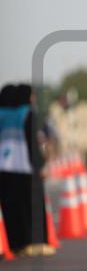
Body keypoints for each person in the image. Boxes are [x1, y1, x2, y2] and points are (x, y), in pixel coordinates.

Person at [0, 83, 52, 256]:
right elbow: (34, 144)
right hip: (25, 167)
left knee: (12, 208)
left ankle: (17, 244)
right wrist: (40, 165)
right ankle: (37, 243)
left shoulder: (2, 115)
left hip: (4, 169)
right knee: (33, 205)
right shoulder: (27, 114)